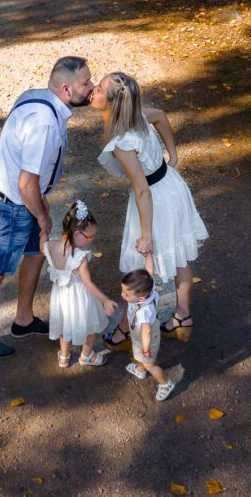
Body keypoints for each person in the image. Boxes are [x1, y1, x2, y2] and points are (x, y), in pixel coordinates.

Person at [0, 56, 94, 358]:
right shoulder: (45, 125)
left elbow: (28, 172)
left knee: (36, 254)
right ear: (65, 89)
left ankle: (23, 320)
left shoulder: (38, 97)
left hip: (27, 197)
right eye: (85, 83)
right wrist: (42, 215)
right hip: (14, 205)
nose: (91, 87)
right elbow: (25, 183)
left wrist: (40, 200)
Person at [90, 72, 208, 351]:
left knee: (138, 268)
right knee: (180, 258)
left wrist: (145, 235)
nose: (94, 90)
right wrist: (173, 154)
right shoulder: (136, 114)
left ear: (114, 103)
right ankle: (182, 316)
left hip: (155, 200)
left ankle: (125, 330)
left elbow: (142, 190)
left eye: (99, 88)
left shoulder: (122, 143)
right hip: (171, 186)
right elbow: (161, 115)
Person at [40, 200, 118, 368]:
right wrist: (105, 300)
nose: (89, 241)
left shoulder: (51, 246)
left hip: (61, 299)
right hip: (79, 298)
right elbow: (88, 283)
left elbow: (42, 245)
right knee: (90, 327)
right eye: (88, 237)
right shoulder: (79, 257)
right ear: (76, 234)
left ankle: (64, 357)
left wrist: (44, 232)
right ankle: (86, 355)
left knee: (64, 327)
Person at [120, 265, 179, 400]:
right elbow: (150, 270)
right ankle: (140, 370)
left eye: (126, 294)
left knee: (149, 363)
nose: (122, 295)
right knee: (141, 356)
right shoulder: (148, 288)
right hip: (142, 334)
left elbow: (146, 331)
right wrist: (148, 256)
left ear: (140, 298)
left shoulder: (144, 312)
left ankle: (165, 383)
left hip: (146, 338)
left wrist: (146, 349)